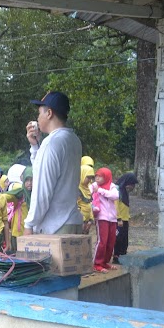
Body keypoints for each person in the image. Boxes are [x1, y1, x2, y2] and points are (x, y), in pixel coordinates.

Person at [24, 91, 83, 235]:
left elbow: (42, 190)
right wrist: (35, 146)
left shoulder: (52, 144)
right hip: (72, 222)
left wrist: (29, 224)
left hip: (56, 228)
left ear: (49, 113)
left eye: (39, 113)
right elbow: (42, 170)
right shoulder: (73, 139)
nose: (38, 118)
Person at [90, 168, 120, 273]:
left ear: (106, 177)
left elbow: (115, 196)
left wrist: (101, 191)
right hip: (101, 217)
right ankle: (97, 263)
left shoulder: (112, 186)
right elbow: (89, 194)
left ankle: (105, 262)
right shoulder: (93, 185)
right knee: (102, 241)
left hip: (112, 218)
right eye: (96, 176)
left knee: (111, 242)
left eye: (100, 176)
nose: (97, 178)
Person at [114, 173, 138, 263]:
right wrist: (118, 218)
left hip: (125, 219)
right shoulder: (117, 191)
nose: (132, 187)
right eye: (131, 184)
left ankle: (123, 255)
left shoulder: (124, 192)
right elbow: (115, 206)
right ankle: (116, 256)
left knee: (124, 239)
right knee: (118, 239)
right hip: (119, 220)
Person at [78, 164, 95, 234]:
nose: (90, 180)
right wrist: (82, 220)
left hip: (86, 223)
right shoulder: (77, 189)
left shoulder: (87, 189)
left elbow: (90, 204)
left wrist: (91, 219)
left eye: (91, 178)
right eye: (88, 178)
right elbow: (75, 207)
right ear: (82, 175)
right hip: (79, 223)